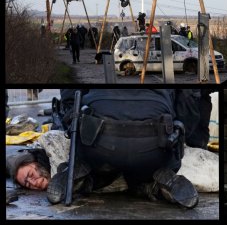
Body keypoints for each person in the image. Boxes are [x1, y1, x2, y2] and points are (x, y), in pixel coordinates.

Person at [45, 89, 210, 208]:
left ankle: (85, 178)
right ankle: (155, 183)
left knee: (85, 139)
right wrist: (183, 131)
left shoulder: (96, 64)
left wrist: (72, 119)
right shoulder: (166, 66)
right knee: (163, 152)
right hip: (153, 146)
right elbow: (190, 99)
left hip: (98, 143)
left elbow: (70, 100)